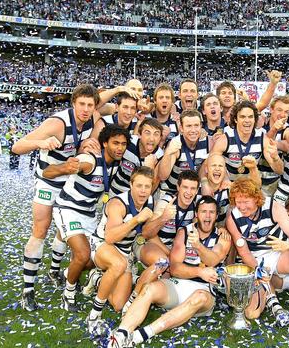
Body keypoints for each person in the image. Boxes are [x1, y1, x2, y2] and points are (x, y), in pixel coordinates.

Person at [11, 84, 103, 311]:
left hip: (69, 179)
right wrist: (40, 143)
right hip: (48, 179)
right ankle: (28, 290)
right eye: (81, 104)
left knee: (65, 230)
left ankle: (54, 271)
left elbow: (107, 103)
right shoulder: (57, 123)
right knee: (40, 230)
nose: (85, 109)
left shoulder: (93, 118)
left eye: (90, 105)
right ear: (73, 104)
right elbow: (17, 146)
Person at [108, 196, 231, 347]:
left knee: (199, 298)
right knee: (149, 289)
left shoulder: (223, 237)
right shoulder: (184, 232)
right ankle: (121, 334)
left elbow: (213, 260)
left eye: (212, 212)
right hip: (179, 284)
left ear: (217, 216)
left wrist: (198, 245)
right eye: (203, 211)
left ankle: (141, 335)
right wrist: (199, 272)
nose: (207, 215)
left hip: (204, 290)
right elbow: (175, 269)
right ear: (196, 215)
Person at [226, 177, 289, 335]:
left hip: (277, 253)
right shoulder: (233, 218)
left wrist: (286, 245)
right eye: (238, 202)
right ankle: (277, 309)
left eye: (246, 201)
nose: (241, 206)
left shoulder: (273, 206)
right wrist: (258, 270)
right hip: (254, 260)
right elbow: (244, 251)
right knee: (251, 313)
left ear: (256, 198)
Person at [51, 124, 126, 312]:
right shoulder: (90, 160)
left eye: (123, 144)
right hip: (68, 209)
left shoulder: (115, 166)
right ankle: (68, 294)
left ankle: (69, 274)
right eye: (115, 143)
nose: (120, 147)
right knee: (82, 254)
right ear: (104, 143)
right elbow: (62, 168)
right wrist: (67, 167)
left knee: (93, 260)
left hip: (90, 215)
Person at [85, 166, 156, 336]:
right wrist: (137, 219)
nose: (143, 191)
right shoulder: (118, 203)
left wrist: (163, 218)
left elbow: (147, 232)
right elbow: (110, 237)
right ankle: (94, 315)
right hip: (103, 244)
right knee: (118, 264)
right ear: (131, 185)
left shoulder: (150, 201)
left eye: (147, 186)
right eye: (139, 186)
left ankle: (96, 279)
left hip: (124, 251)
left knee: (118, 304)